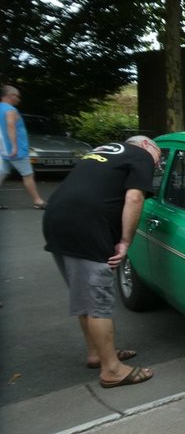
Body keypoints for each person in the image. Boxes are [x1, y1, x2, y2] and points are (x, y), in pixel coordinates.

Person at [42, 136, 161, 388]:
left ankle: (97, 354)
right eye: (159, 157)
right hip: (86, 226)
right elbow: (135, 198)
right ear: (146, 146)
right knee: (98, 300)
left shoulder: (103, 152)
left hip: (56, 219)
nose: (157, 164)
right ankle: (112, 370)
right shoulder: (140, 155)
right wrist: (125, 241)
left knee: (85, 295)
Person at [0, 85, 47, 209]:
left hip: (2, 149)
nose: (18, 99)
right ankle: (38, 201)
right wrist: (15, 146)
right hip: (16, 150)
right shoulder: (10, 110)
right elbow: (11, 126)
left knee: (2, 173)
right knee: (28, 175)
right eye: (17, 96)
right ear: (11, 96)